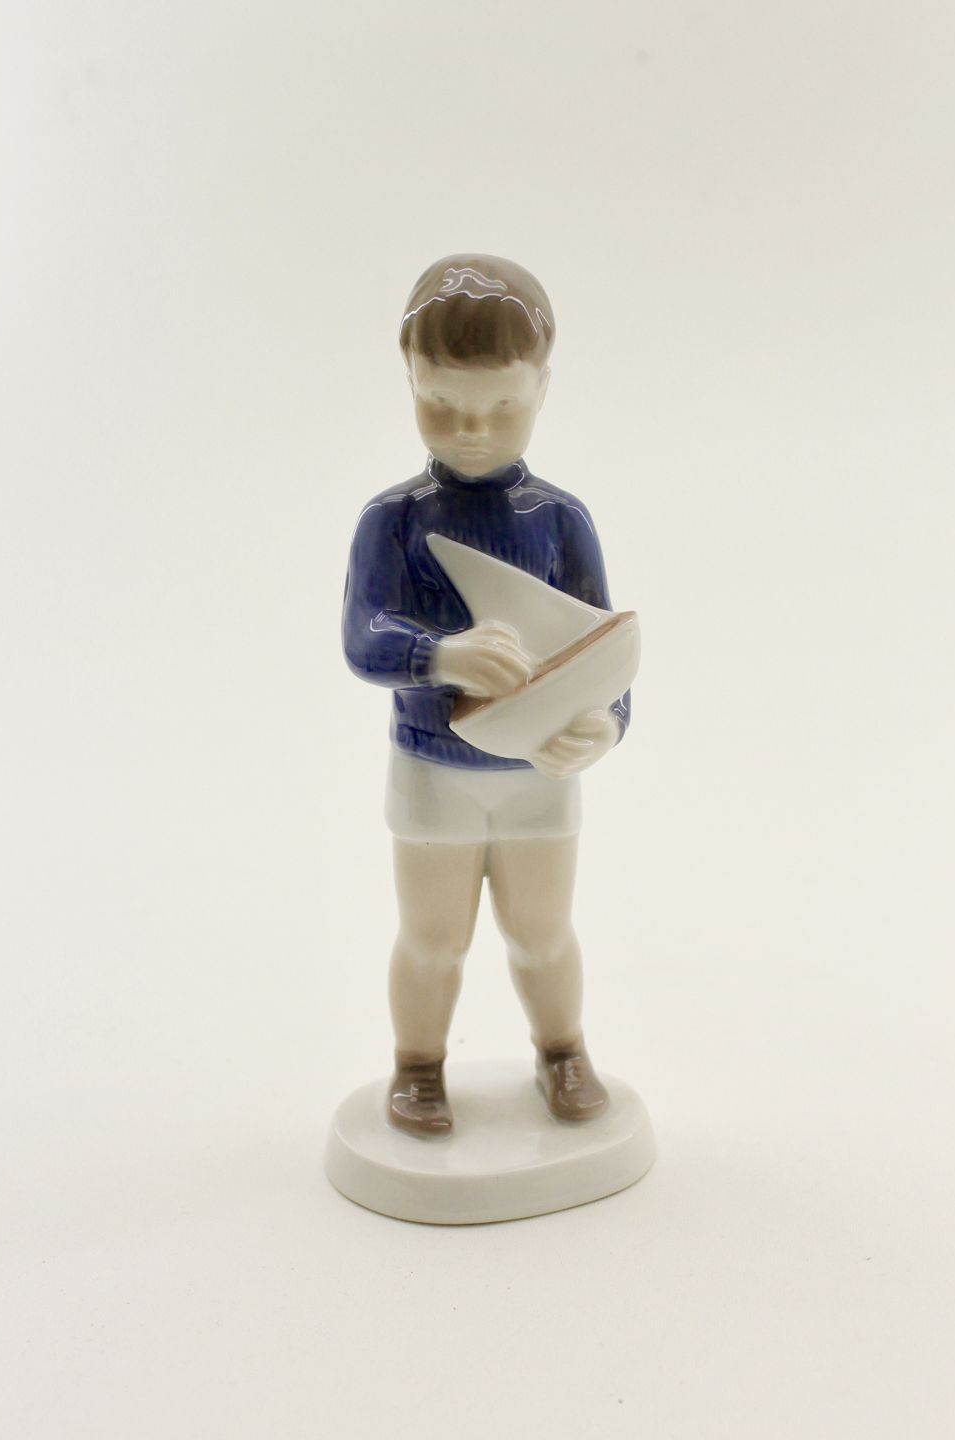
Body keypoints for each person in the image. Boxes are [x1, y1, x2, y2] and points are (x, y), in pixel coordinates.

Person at [342, 254, 631, 1138]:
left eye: (503, 408)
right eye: (442, 404)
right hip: (433, 769)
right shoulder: (394, 521)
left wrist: (605, 727)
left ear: (543, 388)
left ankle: (563, 1051)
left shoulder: (559, 520)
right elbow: (363, 638)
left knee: (543, 932)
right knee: (433, 938)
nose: (472, 432)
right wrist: (441, 654)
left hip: (538, 774)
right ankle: (418, 1066)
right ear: (410, 380)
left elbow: (606, 651)